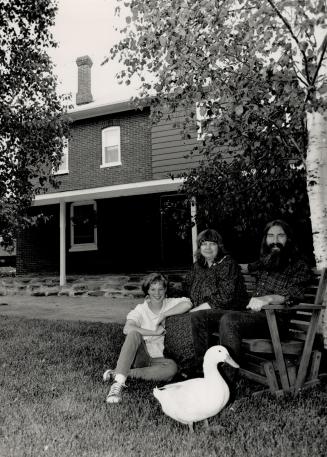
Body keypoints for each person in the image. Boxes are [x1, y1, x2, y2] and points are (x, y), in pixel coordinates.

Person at [219, 219, 312, 384]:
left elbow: (293, 293)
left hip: (275, 322)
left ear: (288, 239)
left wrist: (267, 299)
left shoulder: (299, 266)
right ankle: (201, 371)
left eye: (280, 236)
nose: (275, 240)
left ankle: (227, 383)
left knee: (229, 320)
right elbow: (246, 268)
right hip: (252, 317)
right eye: (270, 236)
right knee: (203, 316)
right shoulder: (266, 261)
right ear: (265, 239)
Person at [103, 272, 192, 404]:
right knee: (134, 333)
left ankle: (119, 372)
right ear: (147, 292)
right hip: (140, 355)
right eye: (153, 289)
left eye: (161, 289)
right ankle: (117, 384)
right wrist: (154, 332)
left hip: (157, 359)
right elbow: (127, 328)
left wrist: (164, 315)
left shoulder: (170, 303)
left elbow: (188, 303)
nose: (157, 293)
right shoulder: (140, 309)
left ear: (166, 290)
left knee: (172, 368)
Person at [170, 229, 248, 376]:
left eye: (212, 244)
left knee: (189, 319)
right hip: (203, 312)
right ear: (199, 247)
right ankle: (182, 366)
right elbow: (185, 288)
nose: (207, 247)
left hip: (228, 311)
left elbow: (223, 298)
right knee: (173, 319)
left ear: (219, 246)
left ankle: (198, 369)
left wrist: (193, 310)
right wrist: (164, 292)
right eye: (203, 244)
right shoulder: (198, 266)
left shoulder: (227, 264)